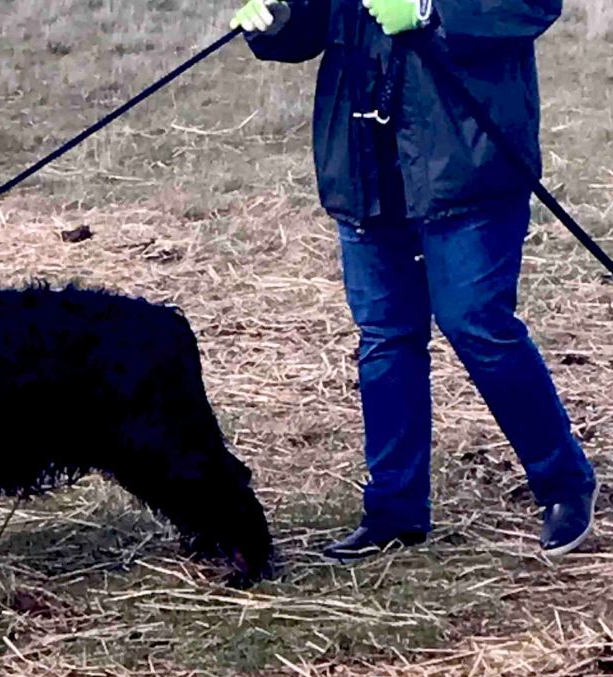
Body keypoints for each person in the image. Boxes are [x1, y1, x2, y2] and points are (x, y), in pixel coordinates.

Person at [229, 0, 599, 561]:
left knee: (476, 323)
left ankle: (565, 483)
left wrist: (432, 9)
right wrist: (279, 21)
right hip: (364, 161)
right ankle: (394, 512)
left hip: (467, 154)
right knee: (385, 336)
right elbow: (314, 22)